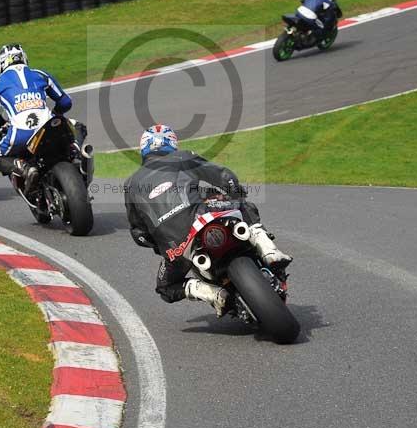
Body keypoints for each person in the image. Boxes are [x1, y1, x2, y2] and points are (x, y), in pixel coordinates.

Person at [124, 124, 292, 318]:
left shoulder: (131, 184)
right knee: (243, 205)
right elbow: (224, 176)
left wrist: (162, 246)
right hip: (201, 216)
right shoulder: (183, 156)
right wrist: (236, 192)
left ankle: (211, 294)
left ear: (143, 149)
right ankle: (268, 249)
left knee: (165, 287)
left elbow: (139, 234)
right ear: (172, 144)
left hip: (176, 247)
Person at [0, 44, 73, 193]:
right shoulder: (41, 74)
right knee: (77, 130)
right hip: (49, 126)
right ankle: (80, 160)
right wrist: (56, 114)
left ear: (1, 64)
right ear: (24, 58)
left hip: (20, 133)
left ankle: (25, 169)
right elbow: (66, 102)